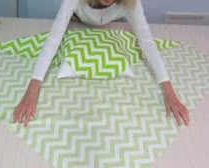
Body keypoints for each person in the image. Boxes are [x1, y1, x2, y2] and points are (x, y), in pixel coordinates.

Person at [13, 0, 189, 127]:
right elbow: (54, 38)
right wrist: (32, 90)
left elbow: (147, 43)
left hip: (107, 24)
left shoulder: (131, 3)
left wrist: (169, 93)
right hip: (77, 22)